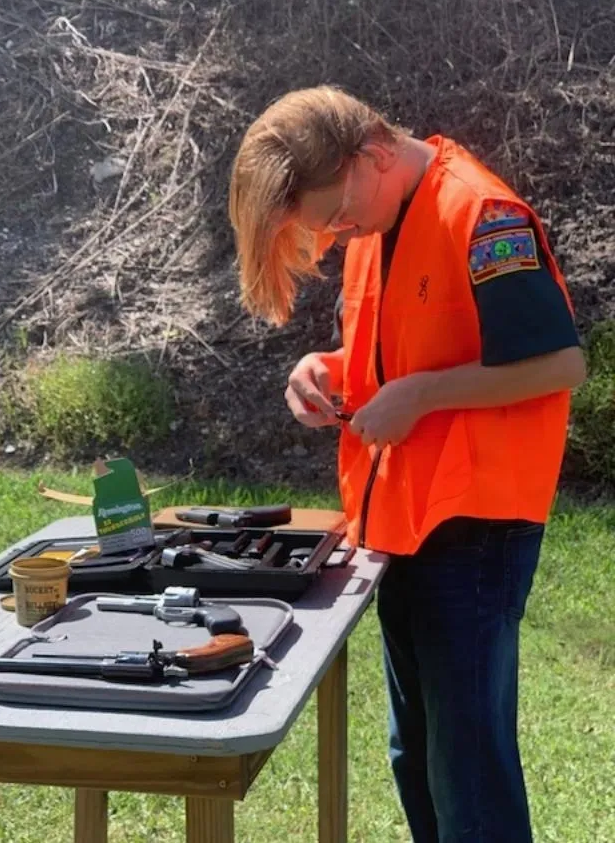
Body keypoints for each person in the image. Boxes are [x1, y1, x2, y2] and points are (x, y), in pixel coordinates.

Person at [228, 85, 586, 843]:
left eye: (334, 215)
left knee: (469, 772)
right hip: (400, 528)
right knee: (417, 756)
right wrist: (319, 369)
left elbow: (560, 363)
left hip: (476, 531)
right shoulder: (374, 224)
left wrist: (421, 396)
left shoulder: (482, 215)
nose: (337, 233)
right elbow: (389, 355)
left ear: (373, 154)